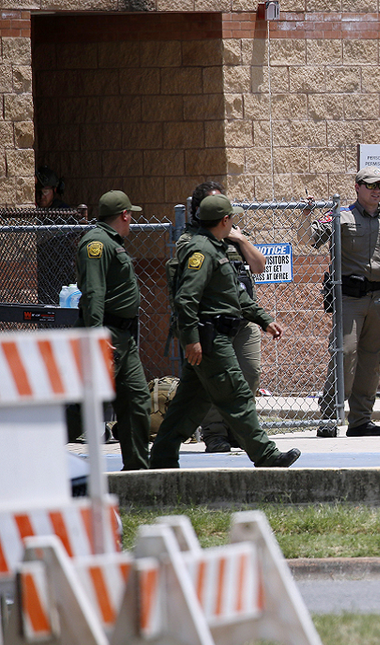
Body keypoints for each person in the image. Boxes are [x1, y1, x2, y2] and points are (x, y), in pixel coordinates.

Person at [149, 194, 299, 469]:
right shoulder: (201, 251)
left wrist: (264, 320)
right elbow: (186, 299)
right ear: (224, 220)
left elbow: (236, 296)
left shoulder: (215, 248)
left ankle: (162, 456)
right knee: (237, 394)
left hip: (215, 336)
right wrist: (192, 341)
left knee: (189, 404)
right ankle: (265, 455)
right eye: (232, 217)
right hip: (210, 338)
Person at [305, 167, 380, 438]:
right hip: (350, 298)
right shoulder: (340, 216)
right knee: (344, 354)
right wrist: (306, 215)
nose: (376, 190)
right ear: (357, 187)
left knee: (372, 359)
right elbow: (309, 238)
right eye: (370, 185)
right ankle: (330, 417)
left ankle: (360, 420)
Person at [178, 181, 268, 453]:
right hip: (213, 324)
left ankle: (237, 431)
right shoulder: (191, 242)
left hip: (242, 319)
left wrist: (240, 239)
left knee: (250, 374)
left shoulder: (234, 235)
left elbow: (259, 266)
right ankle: (215, 433)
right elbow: (188, 293)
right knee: (212, 382)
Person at [75, 190, 150, 470]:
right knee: (81, 407)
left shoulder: (111, 241)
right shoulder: (97, 244)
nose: (132, 221)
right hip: (107, 335)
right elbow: (94, 295)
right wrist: (97, 339)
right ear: (124, 215)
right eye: (131, 215)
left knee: (137, 400)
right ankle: (37, 454)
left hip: (124, 340)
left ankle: (138, 470)